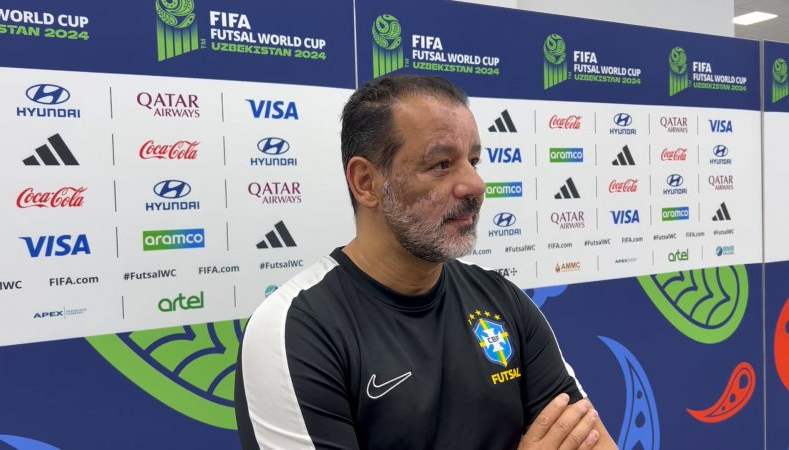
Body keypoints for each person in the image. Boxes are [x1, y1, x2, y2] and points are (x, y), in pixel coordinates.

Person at [235, 74, 617, 450]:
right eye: (441, 164)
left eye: (473, 160)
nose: (475, 185)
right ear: (366, 182)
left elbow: (592, 441)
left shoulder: (505, 302)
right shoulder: (297, 329)